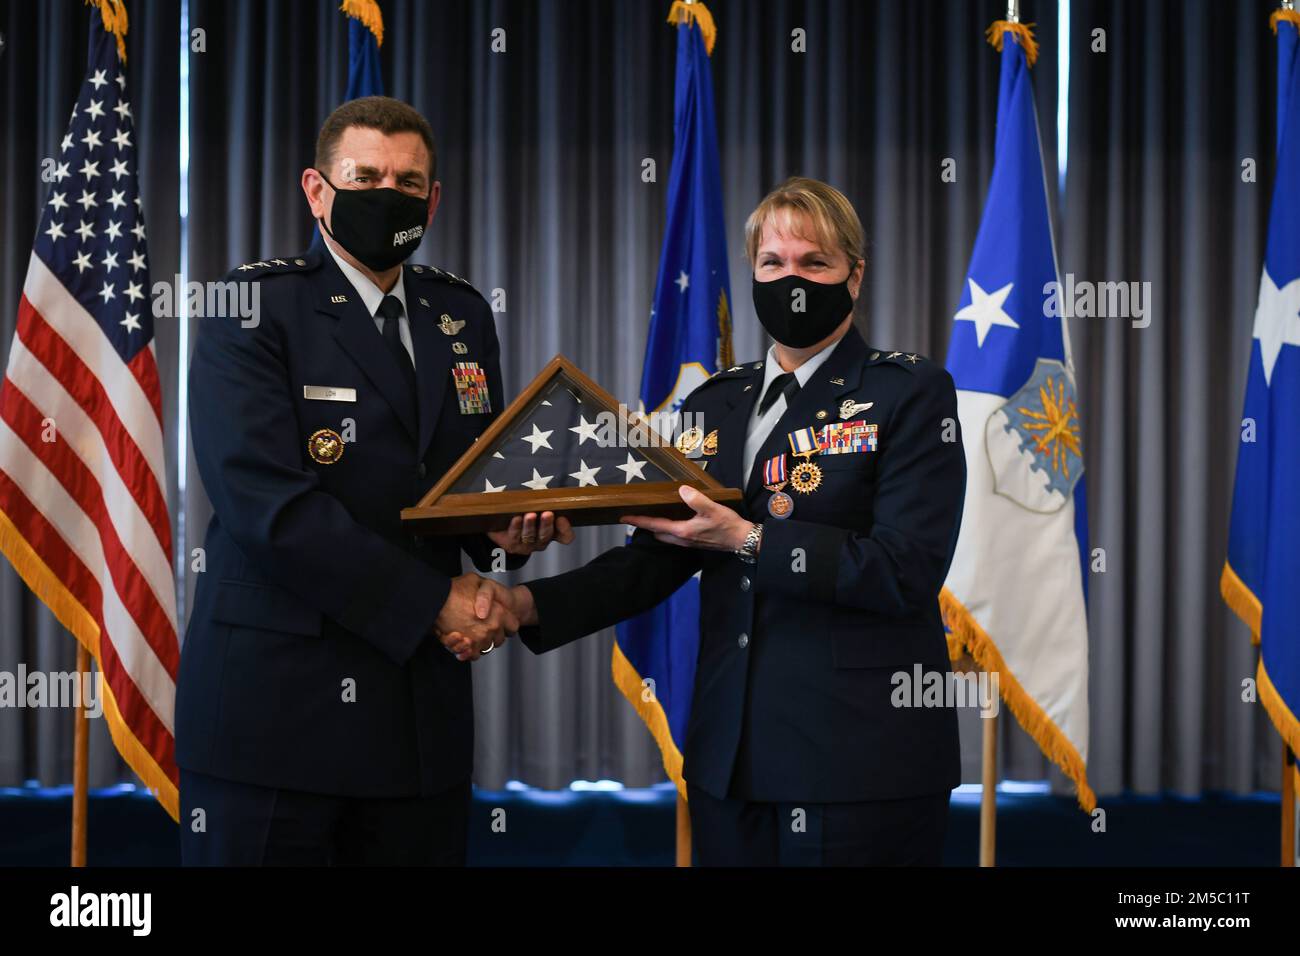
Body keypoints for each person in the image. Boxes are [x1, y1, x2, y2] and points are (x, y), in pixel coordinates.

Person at [458, 176, 966, 865]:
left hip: (860, 764)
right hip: (732, 761)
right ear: (752, 273)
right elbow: (660, 556)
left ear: (855, 277)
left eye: (815, 263)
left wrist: (748, 539)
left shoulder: (908, 392)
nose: (793, 281)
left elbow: (903, 571)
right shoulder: (718, 404)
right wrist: (521, 604)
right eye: (773, 263)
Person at [177, 96, 565, 865]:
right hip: (277, 716)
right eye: (365, 177)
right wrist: (433, 601)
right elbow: (268, 509)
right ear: (316, 191)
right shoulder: (251, 307)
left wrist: (502, 531)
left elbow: (460, 477)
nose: (388, 195)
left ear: (434, 198)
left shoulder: (459, 316)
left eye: (408, 182)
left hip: (416, 723)